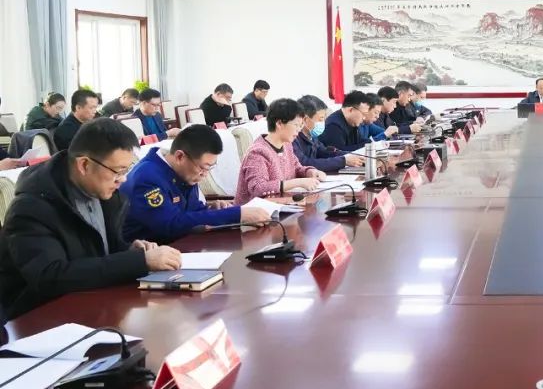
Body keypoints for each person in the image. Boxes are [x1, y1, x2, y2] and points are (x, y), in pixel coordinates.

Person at [0, 118, 182, 319]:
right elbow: (51, 277)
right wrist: (139, 261)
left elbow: (97, 252)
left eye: (126, 170)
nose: (123, 179)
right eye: (118, 171)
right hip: (38, 318)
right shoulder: (31, 209)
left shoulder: (104, 194)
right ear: (84, 165)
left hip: (94, 302)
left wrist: (130, 250)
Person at [121, 125, 271, 244]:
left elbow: (192, 210)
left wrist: (211, 209)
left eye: (209, 168)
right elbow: (171, 224)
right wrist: (237, 214)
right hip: (149, 255)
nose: (204, 175)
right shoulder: (147, 177)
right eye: (203, 168)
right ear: (180, 156)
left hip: (181, 246)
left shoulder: (184, 171)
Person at [234, 99, 325, 205]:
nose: (299, 130)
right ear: (279, 123)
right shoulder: (257, 152)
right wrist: (298, 182)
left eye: (300, 126)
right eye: (296, 125)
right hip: (255, 212)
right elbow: (258, 188)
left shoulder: (286, 145)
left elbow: (296, 168)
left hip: (281, 206)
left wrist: (311, 172)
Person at [293, 96, 364, 173]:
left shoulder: (312, 136)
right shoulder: (293, 138)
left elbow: (325, 152)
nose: (323, 122)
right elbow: (305, 163)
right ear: (305, 120)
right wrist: (343, 161)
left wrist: (352, 155)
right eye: (321, 119)